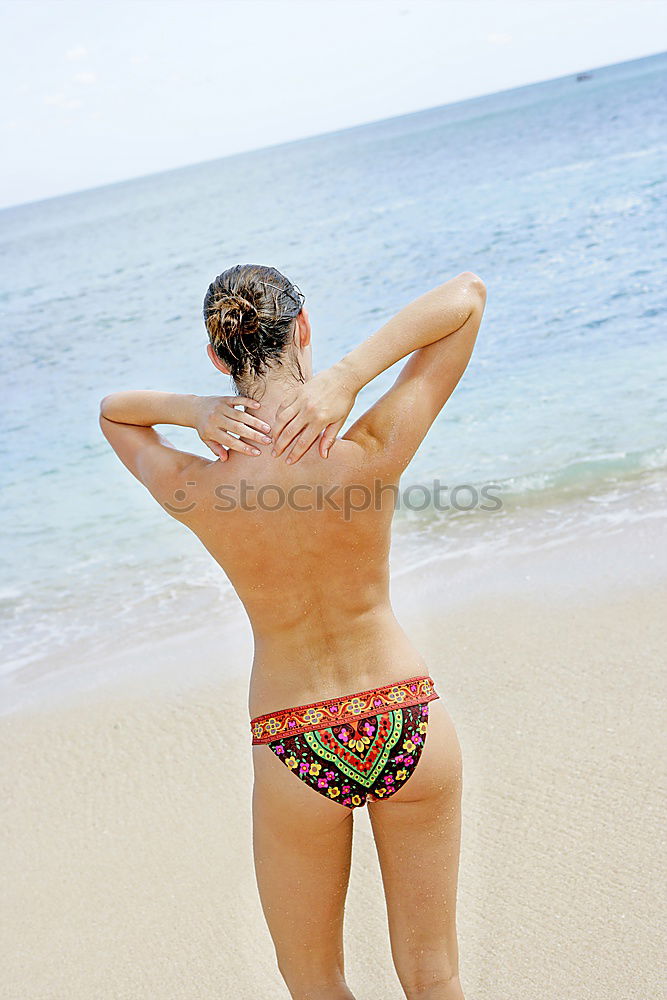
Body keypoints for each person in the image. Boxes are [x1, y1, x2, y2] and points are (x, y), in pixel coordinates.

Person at [99, 262, 487, 1000]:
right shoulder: (367, 449)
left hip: (293, 734)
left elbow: (115, 413)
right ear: (301, 329)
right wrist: (349, 376)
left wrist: (194, 410)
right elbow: (465, 297)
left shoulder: (197, 486)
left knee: (313, 983)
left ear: (218, 357)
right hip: (403, 710)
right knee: (433, 976)